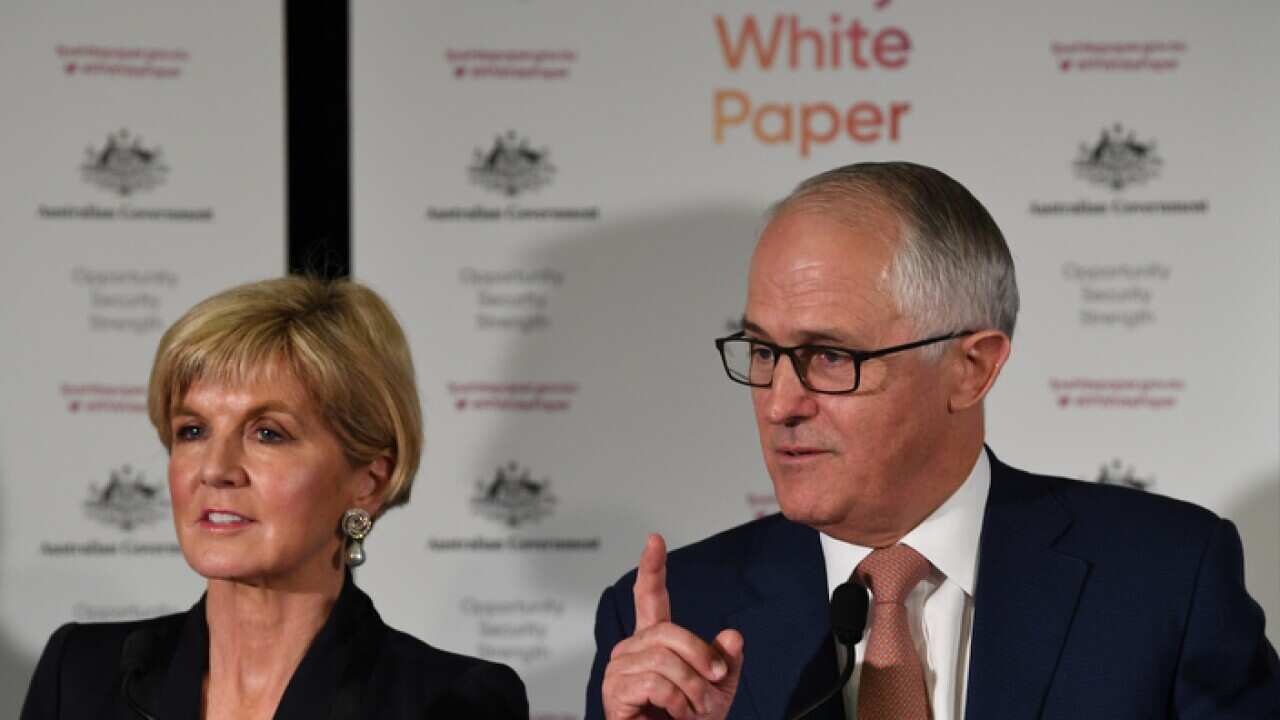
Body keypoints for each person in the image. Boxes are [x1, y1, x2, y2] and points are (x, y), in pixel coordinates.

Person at [585, 162, 1280, 719]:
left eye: (830, 356)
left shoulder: (1164, 580)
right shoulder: (675, 621)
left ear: (970, 367)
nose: (779, 402)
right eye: (763, 351)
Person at [22, 276, 529, 719]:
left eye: (268, 433)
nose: (216, 470)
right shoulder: (82, 677)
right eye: (193, 430)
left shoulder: (450, 702)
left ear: (369, 482)